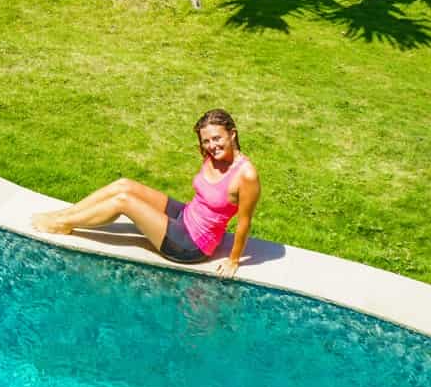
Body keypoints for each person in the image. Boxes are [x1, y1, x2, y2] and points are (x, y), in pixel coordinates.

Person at [31, 109, 260, 278]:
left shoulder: (245, 175)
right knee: (124, 185)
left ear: (232, 134)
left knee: (124, 201)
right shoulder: (213, 155)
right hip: (185, 214)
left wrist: (233, 260)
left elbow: (244, 222)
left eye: (217, 138)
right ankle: (63, 215)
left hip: (192, 244)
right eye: (206, 141)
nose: (211, 146)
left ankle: (64, 224)